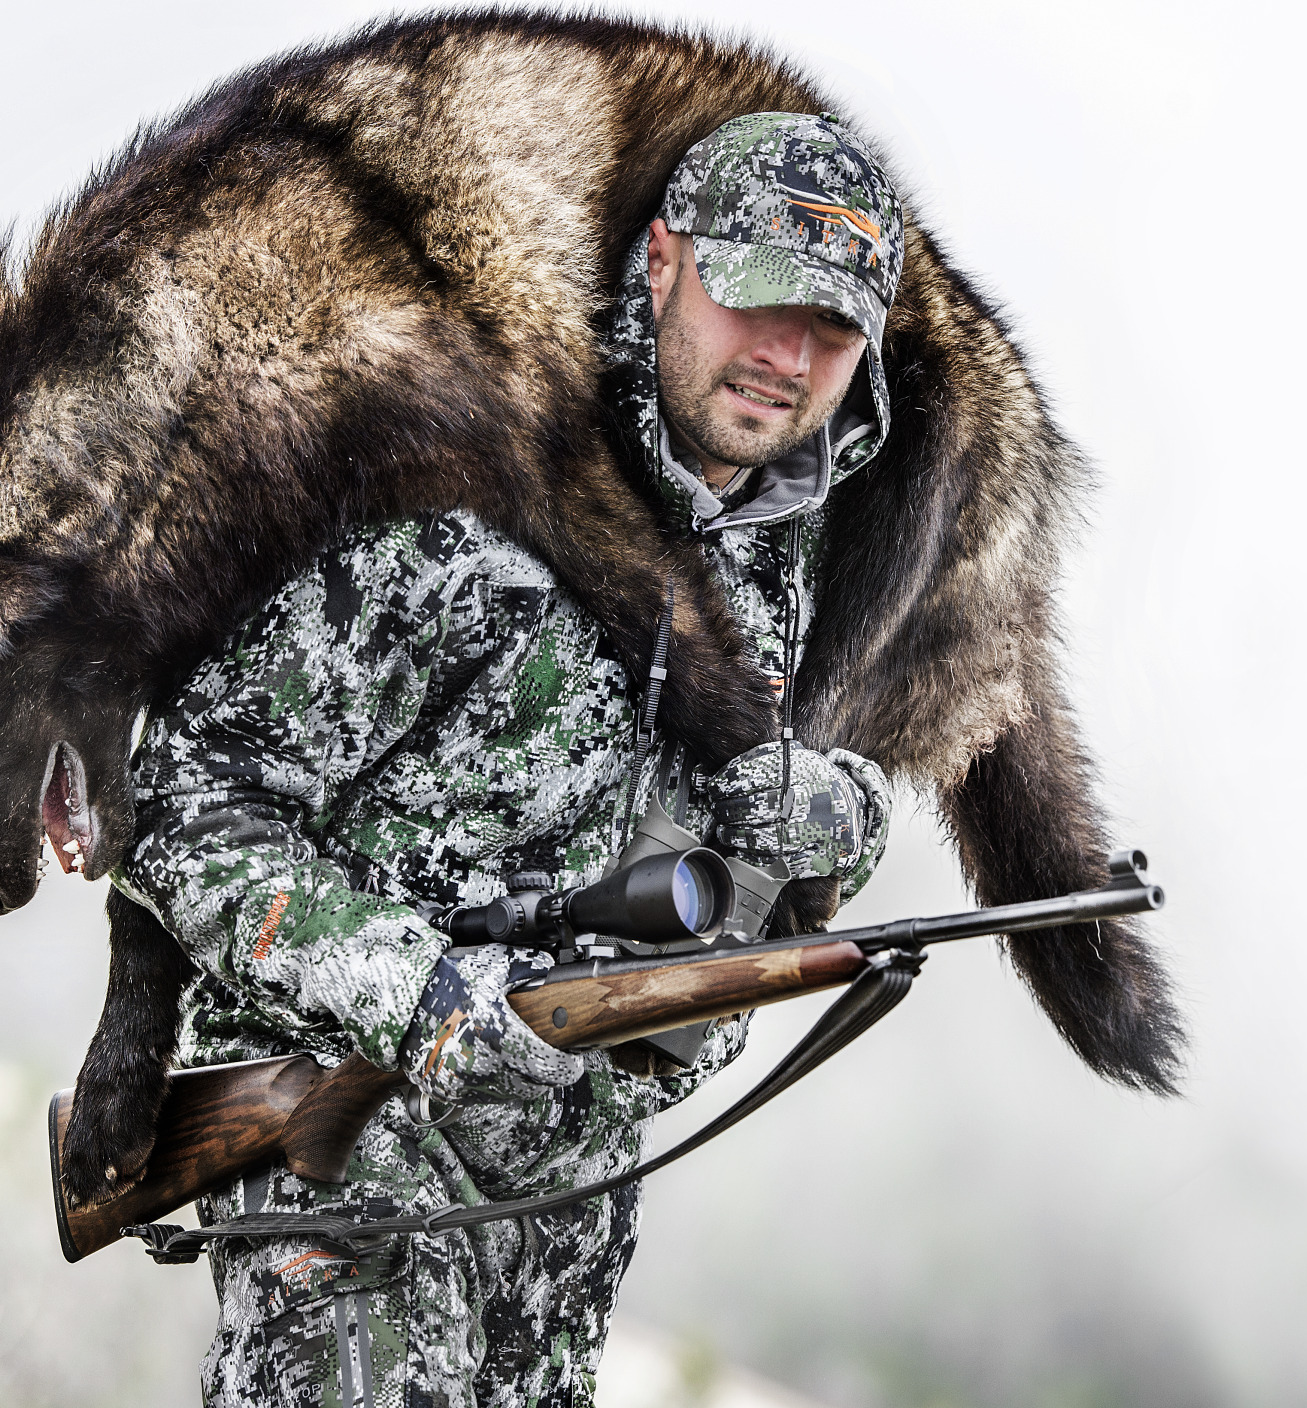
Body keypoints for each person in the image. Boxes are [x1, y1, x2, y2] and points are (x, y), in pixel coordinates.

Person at [117, 111, 903, 1408]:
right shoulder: (455, 480)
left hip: (567, 1185)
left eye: (829, 329)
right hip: (342, 1126)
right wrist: (417, 994)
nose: (786, 356)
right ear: (663, 263)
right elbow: (187, 807)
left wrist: (830, 820)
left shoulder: (791, 536)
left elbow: (755, 842)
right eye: (757, 299)